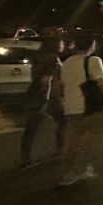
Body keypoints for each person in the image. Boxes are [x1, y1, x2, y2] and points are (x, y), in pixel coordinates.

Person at [59, 33, 103, 186]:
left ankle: (68, 173)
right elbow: (102, 83)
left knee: (76, 138)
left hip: (71, 106)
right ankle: (84, 167)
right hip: (89, 106)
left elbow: (61, 84)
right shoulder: (93, 60)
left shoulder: (67, 62)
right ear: (90, 45)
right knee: (95, 135)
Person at [20, 37, 66, 169]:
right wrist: (46, 99)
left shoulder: (38, 57)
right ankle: (60, 149)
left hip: (34, 94)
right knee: (62, 121)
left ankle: (25, 158)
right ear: (55, 44)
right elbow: (46, 81)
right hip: (47, 97)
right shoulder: (52, 59)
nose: (63, 45)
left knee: (31, 128)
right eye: (61, 42)